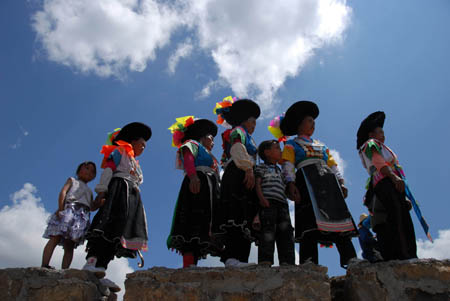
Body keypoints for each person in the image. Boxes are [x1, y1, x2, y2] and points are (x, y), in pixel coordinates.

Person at [278, 101, 357, 268]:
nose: (313, 124)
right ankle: (309, 261)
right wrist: (290, 183)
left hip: (328, 183)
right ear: (300, 125)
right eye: (309, 121)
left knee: (338, 216)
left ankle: (350, 258)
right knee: (309, 220)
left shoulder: (322, 146)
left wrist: (340, 181)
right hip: (306, 181)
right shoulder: (291, 144)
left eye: (314, 122)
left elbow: (332, 164)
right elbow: (288, 164)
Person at [83, 122, 151, 286]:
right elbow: (108, 169)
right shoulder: (120, 151)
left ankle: (101, 269)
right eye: (142, 144)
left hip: (131, 197)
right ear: (133, 142)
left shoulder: (136, 163)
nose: (143, 148)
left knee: (119, 231)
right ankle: (90, 263)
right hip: (118, 190)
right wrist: (102, 190)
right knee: (107, 224)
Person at [357, 111, 417, 260]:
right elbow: (378, 162)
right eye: (380, 132)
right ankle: (405, 254)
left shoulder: (379, 146)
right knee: (397, 217)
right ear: (371, 134)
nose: (383, 135)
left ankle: (403, 254)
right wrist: (394, 177)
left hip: (388, 181)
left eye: (383, 132)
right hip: (386, 181)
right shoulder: (371, 144)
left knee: (398, 216)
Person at [212, 96, 260, 267]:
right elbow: (237, 148)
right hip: (238, 172)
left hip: (246, 172)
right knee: (236, 213)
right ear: (244, 121)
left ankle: (242, 259)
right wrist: (248, 168)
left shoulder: (248, 136)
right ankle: (231, 258)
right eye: (252, 121)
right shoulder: (237, 131)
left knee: (245, 215)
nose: (254, 125)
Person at [167, 116, 221, 268]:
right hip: (198, 182)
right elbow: (188, 158)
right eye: (211, 137)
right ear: (202, 137)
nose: (213, 142)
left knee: (204, 223)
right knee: (193, 220)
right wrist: (193, 177)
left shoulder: (210, 155)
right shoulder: (192, 144)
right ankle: (188, 263)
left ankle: (193, 263)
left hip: (209, 187)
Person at [42, 161, 97, 269]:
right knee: (55, 236)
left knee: (70, 244)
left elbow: (91, 207)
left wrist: (100, 202)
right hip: (69, 209)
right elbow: (63, 192)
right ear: (79, 170)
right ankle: (44, 264)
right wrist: (61, 208)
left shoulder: (90, 191)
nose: (89, 172)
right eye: (86, 168)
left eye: (92, 171)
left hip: (81, 217)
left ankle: (65, 269)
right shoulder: (72, 180)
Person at [255, 140, 295, 266]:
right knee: (267, 231)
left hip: (282, 204)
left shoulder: (281, 171)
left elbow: (286, 188)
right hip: (268, 203)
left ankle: (287, 261)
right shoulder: (261, 167)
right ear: (267, 152)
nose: (280, 151)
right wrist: (261, 198)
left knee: (286, 231)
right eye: (277, 148)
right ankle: (265, 260)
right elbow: (258, 184)